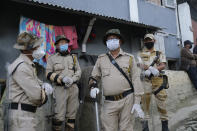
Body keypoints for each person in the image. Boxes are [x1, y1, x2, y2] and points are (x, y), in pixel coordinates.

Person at [89, 29, 144, 131]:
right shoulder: (101, 59)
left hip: (127, 99)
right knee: (108, 128)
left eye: (114, 38)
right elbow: (93, 77)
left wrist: (137, 102)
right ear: (106, 42)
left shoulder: (130, 58)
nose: (112, 41)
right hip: (109, 102)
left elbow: (136, 80)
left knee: (126, 128)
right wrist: (93, 86)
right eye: (109, 39)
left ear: (120, 41)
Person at [7, 31, 53, 131]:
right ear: (29, 49)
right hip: (22, 117)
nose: (40, 48)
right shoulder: (22, 67)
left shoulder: (27, 64)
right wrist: (44, 92)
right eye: (37, 46)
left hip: (25, 114)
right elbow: (36, 96)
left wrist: (43, 85)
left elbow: (35, 82)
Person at [46, 35, 81, 131]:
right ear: (56, 45)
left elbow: (78, 71)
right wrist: (61, 79)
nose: (63, 44)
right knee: (59, 116)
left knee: (71, 116)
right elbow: (48, 74)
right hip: (60, 89)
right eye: (61, 43)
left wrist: (72, 79)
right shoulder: (52, 58)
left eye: (65, 42)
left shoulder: (73, 58)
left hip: (73, 88)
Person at [139, 34, 169, 131]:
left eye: (150, 40)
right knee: (144, 105)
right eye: (146, 40)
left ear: (154, 41)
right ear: (144, 42)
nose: (148, 42)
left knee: (162, 104)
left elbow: (163, 65)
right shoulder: (141, 54)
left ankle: (165, 127)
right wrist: (145, 69)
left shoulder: (159, 53)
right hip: (145, 81)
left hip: (158, 81)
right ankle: (145, 128)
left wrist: (153, 68)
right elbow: (139, 64)